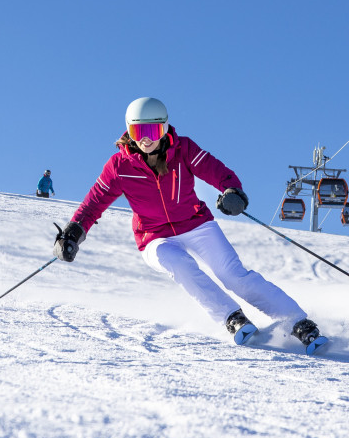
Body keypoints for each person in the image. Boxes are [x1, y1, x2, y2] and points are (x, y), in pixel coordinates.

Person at [52, 97, 325, 352]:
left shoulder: (183, 149)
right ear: (129, 133)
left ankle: (299, 322)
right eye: (138, 133)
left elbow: (216, 170)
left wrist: (232, 190)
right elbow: (95, 201)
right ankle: (232, 317)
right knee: (179, 265)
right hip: (154, 236)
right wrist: (74, 231)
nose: (146, 140)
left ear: (165, 127)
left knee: (233, 275)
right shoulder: (119, 166)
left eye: (153, 131)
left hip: (195, 224)